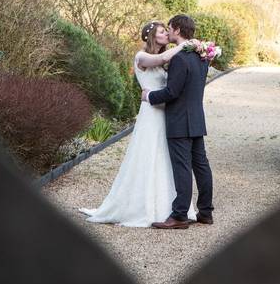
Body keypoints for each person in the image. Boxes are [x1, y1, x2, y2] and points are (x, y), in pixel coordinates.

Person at [78, 21, 197, 227]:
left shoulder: (165, 62)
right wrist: (186, 44)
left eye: (166, 31)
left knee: (165, 159)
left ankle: (170, 206)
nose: (166, 34)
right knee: (148, 155)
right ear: (151, 36)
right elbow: (161, 57)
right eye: (162, 31)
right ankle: (141, 206)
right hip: (151, 114)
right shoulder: (142, 56)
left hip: (165, 114)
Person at [142, 14, 214, 230]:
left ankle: (180, 216)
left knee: (182, 168)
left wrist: (150, 97)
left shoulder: (180, 58)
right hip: (196, 119)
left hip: (179, 122)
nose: (168, 31)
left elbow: (172, 92)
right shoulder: (202, 57)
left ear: (177, 30)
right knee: (201, 166)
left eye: (170, 28)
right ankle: (206, 212)